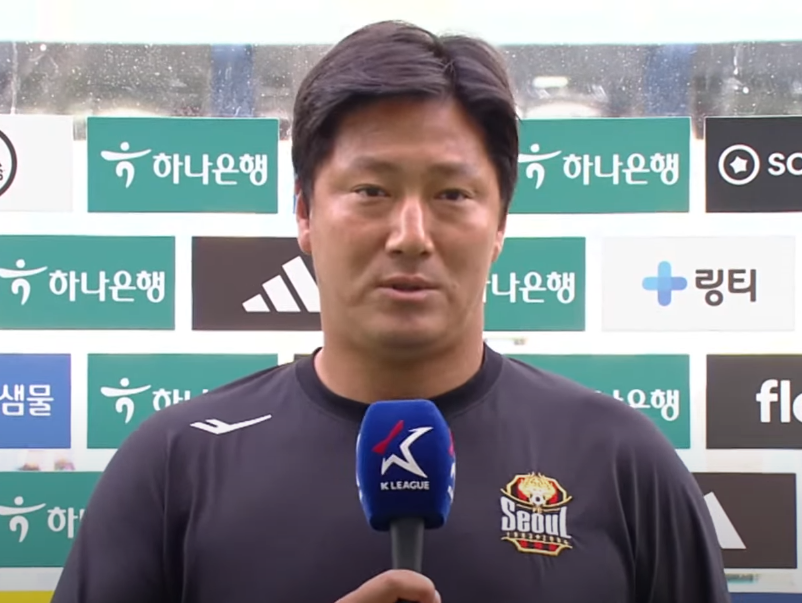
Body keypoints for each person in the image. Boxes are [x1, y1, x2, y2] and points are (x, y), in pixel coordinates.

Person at [51, 20, 731, 603]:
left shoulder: (622, 461)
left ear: (500, 223)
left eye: (452, 194)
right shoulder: (175, 463)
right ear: (304, 213)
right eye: (372, 190)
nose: (411, 235)